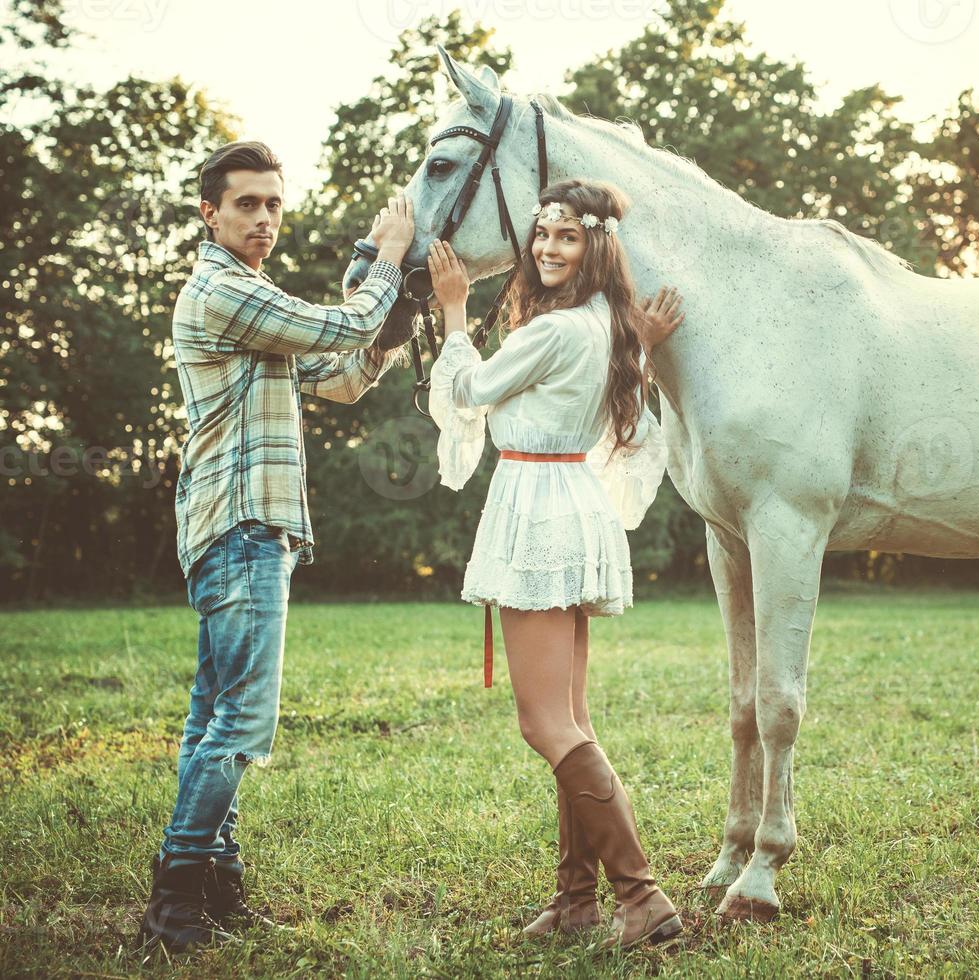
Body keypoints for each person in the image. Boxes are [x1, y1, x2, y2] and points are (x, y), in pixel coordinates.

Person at [139, 140, 415, 953]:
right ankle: (175, 900)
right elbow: (341, 321)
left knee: (213, 718)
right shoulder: (219, 289)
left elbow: (337, 372)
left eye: (273, 205)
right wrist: (389, 262)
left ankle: (214, 888)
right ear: (209, 212)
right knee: (243, 725)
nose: (264, 219)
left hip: (249, 529)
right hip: (240, 527)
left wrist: (393, 327)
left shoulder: (252, 295)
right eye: (248, 204)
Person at [427, 178, 685, 949]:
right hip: (572, 498)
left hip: (539, 506)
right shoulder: (611, 322)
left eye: (567, 236)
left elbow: (467, 387)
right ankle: (576, 900)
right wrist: (648, 339)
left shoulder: (556, 330)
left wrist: (449, 308)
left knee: (544, 724)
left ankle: (642, 899)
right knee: (570, 719)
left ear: (596, 246)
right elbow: (619, 357)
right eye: (542, 233)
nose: (546, 247)